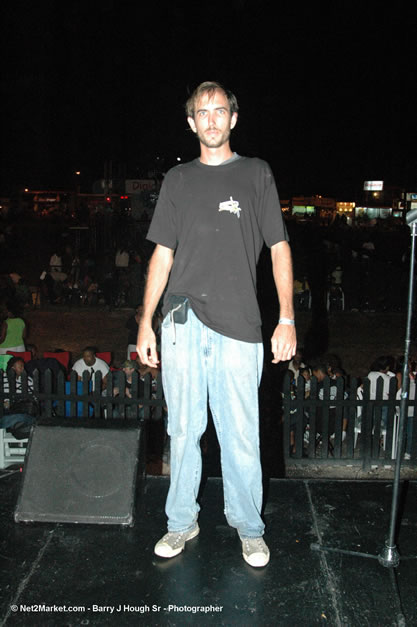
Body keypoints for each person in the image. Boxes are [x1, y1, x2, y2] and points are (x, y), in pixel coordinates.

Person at [137, 81, 296, 568]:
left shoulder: (256, 174)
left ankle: (249, 528)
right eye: (201, 112)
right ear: (191, 122)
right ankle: (181, 522)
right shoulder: (177, 180)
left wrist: (286, 316)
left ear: (232, 118)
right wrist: (145, 322)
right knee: (183, 430)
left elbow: (279, 248)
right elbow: (162, 255)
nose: (210, 118)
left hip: (239, 324)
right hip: (181, 320)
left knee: (241, 433)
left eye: (219, 110)